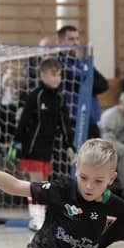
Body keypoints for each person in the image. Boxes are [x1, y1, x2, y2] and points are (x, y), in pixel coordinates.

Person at [13, 58, 73, 231]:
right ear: (43, 75)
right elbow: (24, 121)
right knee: (37, 184)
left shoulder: (59, 99)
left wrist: (69, 145)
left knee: (44, 185)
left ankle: (41, 218)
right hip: (32, 148)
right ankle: (36, 219)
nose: (57, 78)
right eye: (53, 75)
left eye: (59, 75)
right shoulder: (36, 95)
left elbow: (64, 123)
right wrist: (16, 143)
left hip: (47, 149)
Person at [57, 25, 109, 140]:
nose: (76, 43)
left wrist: (88, 66)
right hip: (74, 123)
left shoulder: (83, 63)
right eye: (71, 39)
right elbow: (80, 86)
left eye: (77, 39)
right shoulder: (58, 65)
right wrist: (88, 83)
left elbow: (103, 85)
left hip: (91, 122)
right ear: (60, 42)